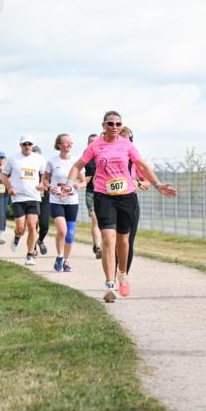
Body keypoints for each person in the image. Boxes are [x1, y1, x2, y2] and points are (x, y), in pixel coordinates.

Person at [68, 111, 177, 302]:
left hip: (126, 197)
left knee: (123, 242)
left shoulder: (127, 145)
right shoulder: (96, 146)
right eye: (111, 124)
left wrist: (158, 184)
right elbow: (77, 166)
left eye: (118, 124)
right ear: (104, 126)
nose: (115, 127)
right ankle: (109, 285)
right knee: (108, 240)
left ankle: (122, 274)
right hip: (104, 196)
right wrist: (69, 184)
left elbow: (142, 166)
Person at [1, 135, 47, 266]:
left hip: (34, 197)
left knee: (33, 226)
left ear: (32, 145)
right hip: (18, 197)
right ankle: (17, 237)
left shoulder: (39, 159)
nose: (27, 146)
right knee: (20, 228)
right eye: (24, 144)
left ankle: (30, 255)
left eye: (29, 144)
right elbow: (3, 175)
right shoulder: (13, 158)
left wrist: (42, 183)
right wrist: (9, 188)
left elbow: (44, 174)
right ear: (20, 145)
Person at [44, 134, 85, 272]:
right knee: (62, 230)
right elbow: (45, 180)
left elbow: (84, 181)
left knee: (70, 234)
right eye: (66, 143)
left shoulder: (77, 162)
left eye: (71, 143)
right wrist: (50, 187)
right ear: (59, 145)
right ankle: (60, 256)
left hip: (72, 201)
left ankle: (67, 261)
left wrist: (77, 186)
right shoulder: (52, 162)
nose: (69, 145)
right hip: (56, 201)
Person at [116, 126, 148, 295]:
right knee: (113, 241)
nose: (125, 141)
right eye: (122, 138)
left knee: (128, 241)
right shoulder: (110, 157)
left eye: (128, 139)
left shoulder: (135, 161)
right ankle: (111, 275)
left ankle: (123, 276)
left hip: (130, 202)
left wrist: (139, 183)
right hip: (111, 202)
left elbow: (147, 182)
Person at [83, 133, 103, 259]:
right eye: (91, 141)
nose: (94, 143)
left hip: (104, 193)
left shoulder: (104, 156)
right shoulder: (85, 158)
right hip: (91, 192)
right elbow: (79, 172)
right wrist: (84, 179)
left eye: (96, 141)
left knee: (103, 222)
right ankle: (99, 247)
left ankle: (97, 244)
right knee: (95, 219)